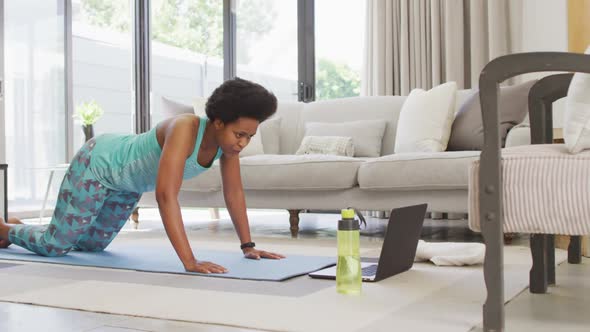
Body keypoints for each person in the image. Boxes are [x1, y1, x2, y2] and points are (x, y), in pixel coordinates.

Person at [0, 77, 285, 274]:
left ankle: (21, 227)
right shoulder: (185, 128)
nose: (243, 143)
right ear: (219, 122)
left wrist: (248, 247)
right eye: (239, 134)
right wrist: (189, 260)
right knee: (56, 246)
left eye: (249, 136)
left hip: (126, 186)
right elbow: (165, 194)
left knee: (91, 245)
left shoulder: (228, 149)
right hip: (99, 164)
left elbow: (233, 193)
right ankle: (5, 229)